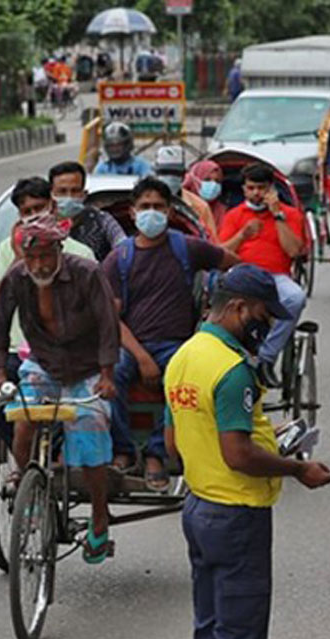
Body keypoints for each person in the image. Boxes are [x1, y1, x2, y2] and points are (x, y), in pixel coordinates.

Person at [164, 263, 330, 639]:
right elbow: (238, 454)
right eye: (265, 315)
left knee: (208, 628)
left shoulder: (184, 357)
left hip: (197, 509)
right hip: (236, 515)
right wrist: (298, 468)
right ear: (240, 308)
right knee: (241, 634)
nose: (269, 326)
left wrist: (265, 433)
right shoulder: (234, 369)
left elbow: (174, 440)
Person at [0, 212, 120, 564]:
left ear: (59, 250)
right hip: (43, 362)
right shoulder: (18, 276)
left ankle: (99, 514)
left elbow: (109, 325)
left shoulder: (87, 273)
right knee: (23, 420)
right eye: (31, 258)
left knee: (90, 431)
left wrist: (107, 374)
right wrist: (0, 373)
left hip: (88, 365)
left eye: (45, 257)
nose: (38, 265)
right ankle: (26, 485)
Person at [101, 177, 238, 490]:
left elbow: (233, 265)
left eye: (158, 207)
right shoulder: (118, 258)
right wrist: (142, 357)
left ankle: (156, 454)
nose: (152, 213)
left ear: (169, 212)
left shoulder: (186, 248)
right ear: (133, 213)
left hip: (179, 344)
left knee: (183, 377)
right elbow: (112, 318)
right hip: (132, 346)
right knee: (111, 374)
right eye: (145, 207)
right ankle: (122, 451)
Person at [0, 177, 97, 433]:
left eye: (39, 208)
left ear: (52, 206)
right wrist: (19, 260)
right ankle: (21, 460)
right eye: (26, 212)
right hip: (21, 353)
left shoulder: (80, 254)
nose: (34, 216)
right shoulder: (8, 249)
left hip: (70, 354)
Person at [218, 163, 307, 386]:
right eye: (251, 188)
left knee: (296, 298)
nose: (256, 193)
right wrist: (243, 235)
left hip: (276, 277)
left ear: (271, 189)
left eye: (262, 188)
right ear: (244, 189)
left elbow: (294, 250)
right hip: (241, 274)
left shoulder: (290, 214)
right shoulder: (234, 215)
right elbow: (221, 253)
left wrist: (277, 215)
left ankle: (266, 357)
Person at [48, 161, 125, 262]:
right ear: (51, 194)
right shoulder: (42, 226)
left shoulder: (101, 220)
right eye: (62, 191)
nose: (69, 197)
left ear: (84, 194)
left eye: (75, 191)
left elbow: (123, 247)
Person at [154, 146, 220, 242]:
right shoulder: (143, 201)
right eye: (164, 172)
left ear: (183, 175)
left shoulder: (200, 207)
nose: (170, 177)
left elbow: (211, 242)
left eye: (175, 173)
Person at [183, 160, 228, 232]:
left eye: (217, 181)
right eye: (207, 180)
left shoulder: (222, 211)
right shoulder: (183, 204)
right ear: (194, 179)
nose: (213, 185)